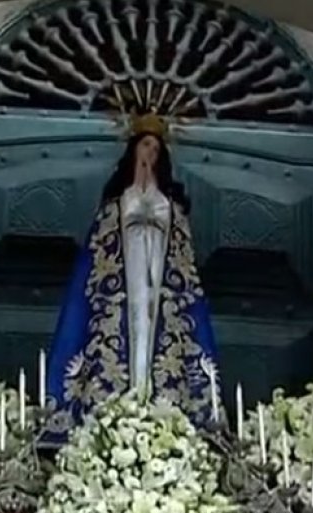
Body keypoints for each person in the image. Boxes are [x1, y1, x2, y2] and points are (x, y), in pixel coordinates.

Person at [41, 113, 221, 444]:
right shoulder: (114, 207)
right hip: (123, 286)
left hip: (158, 282)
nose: (149, 155)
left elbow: (182, 261)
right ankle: (121, 404)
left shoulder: (172, 207)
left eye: (155, 150)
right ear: (134, 151)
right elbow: (98, 258)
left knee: (153, 329)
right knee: (130, 329)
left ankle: (156, 404)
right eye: (145, 147)